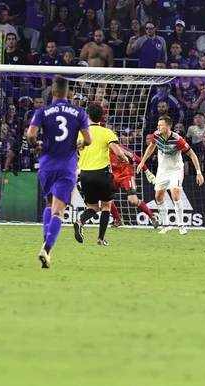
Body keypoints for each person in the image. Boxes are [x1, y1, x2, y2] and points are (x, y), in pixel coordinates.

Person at [26, 77, 92, 269]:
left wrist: (36, 145)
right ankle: (47, 248)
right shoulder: (78, 112)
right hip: (67, 166)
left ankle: (46, 244)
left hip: (46, 165)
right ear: (68, 93)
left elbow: (30, 135)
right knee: (59, 211)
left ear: (52, 93)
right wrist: (81, 143)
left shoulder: (42, 111)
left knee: (49, 204)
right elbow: (89, 139)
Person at [136, 116, 204, 235]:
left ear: (168, 126)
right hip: (162, 170)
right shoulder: (156, 135)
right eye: (158, 125)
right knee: (158, 197)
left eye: (161, 125)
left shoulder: (178, 140)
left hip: (175, 170)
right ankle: (166, 225)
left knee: (175, 195)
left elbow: (192, 155)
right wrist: (142, 162)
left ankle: (181, 225)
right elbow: (151, 147)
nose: (158, 127)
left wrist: (199, 173)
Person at [74, 103, 129, 247]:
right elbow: (117, 151)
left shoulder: (81, 133)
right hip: (102, 173)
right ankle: (100, 239)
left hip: (85, 174)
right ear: (102, 117)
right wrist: (124, 158)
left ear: (88, 117)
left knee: (92, 207)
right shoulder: (107, 132)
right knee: (106, 206)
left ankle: (80, 222)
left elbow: (76, 149)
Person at [109, 143, 158, 228]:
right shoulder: (102, 150)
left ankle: (152, 217)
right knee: (106, 198)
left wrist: (147, 172)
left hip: (127, 175)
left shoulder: (122, 149)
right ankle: (118, 219)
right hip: (114, 176)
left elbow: (139, 160)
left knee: (133, 201)